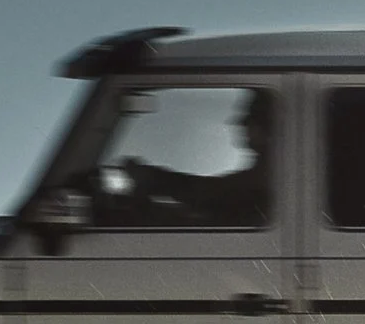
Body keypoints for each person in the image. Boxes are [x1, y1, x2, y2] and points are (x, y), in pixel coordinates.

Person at [102, 97, 272, 227]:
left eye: (250, 119)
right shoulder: (268, 169)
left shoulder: (271, 172)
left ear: (267, 126)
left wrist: (152, 177)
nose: (240, 124)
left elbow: (211, 194)